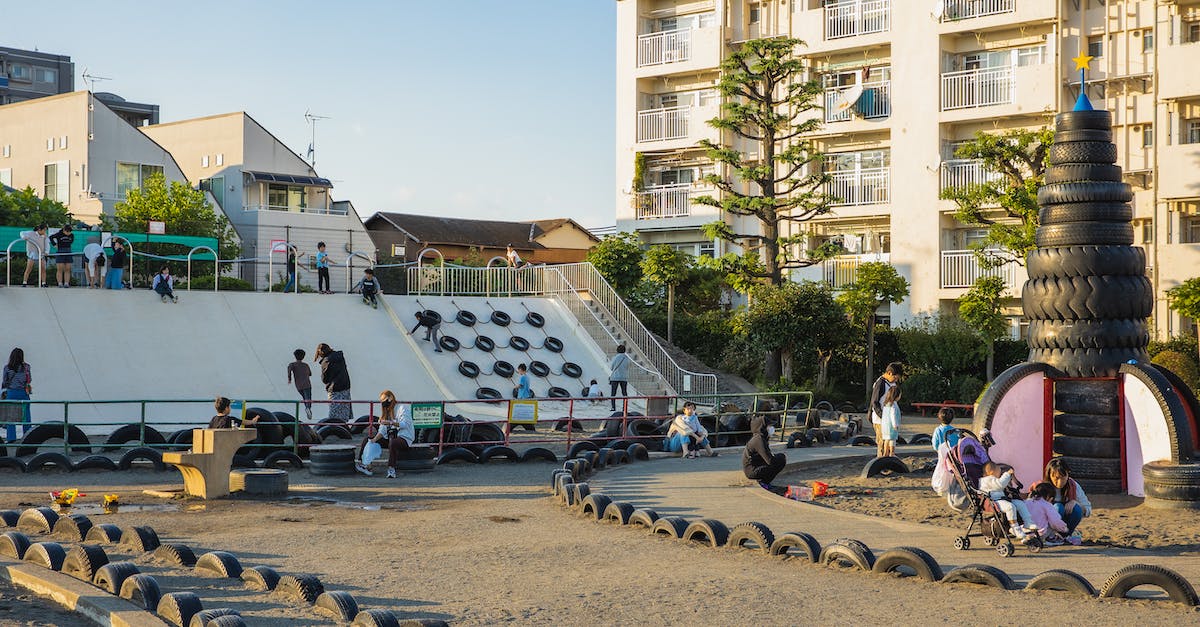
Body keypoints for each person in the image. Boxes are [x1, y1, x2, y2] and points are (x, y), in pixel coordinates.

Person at [356, 390, 414, 479]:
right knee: (367, 439)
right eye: (382, 401)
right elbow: (382, 431)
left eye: (384, 400)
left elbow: (404, 424)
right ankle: (364, 464)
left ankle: (391, 469)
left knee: (393, 443)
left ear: (390, 398)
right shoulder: (386, 412)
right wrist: (374, 440)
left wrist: (390, 423)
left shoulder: (402, 408)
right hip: (390, 437)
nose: (383, 403)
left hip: (404, 438)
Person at [980, 461, 1037, 542]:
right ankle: (1015, 528)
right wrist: (1007, 475)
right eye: (999, 472)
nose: (1000, 475)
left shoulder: (992, 479)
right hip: (993, 502)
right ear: (991, 472)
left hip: (1002, 499)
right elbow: (1000, 484)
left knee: (1020, 503)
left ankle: (1028, 522)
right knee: (1010, 507)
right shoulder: (986, 480)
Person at [1044, 457, 1091, 544]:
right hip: (1047, 525)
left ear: (1068, 474)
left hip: (1066, 524)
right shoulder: (1042, 488)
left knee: (1077, 509)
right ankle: (1051, 536)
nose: (1060, 482)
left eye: (1063, 477)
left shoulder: (1073, 486)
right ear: (1049, 475)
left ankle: (1065, 536)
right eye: (1056, 478)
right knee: (1058, 507)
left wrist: (1075, 502)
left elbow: (1088, 510)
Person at [868, 362, 903, 455]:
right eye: (895, 377)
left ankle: (887, 463)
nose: (896, 380)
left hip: (888, 419)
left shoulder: (892, 383)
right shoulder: (881, 383)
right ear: (889, 373)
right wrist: (882, 417)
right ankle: (881, 464)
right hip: (880, 419)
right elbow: (874, 402)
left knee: (889, 442)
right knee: (883, 443)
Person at [743, 414, 786, 490]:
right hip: (752, 471)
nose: (771, 428)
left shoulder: (760, 437)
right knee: (781, 460)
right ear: (762, 427)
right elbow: (770, 461)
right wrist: (780, 458)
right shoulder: (759, 440)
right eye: (769, 426)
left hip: (754, 466)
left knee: (779, 458)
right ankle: (764, 482)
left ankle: (764, 481)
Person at [315, 343, 352, 422]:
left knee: (334, 411)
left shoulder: (326, 361)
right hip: (346, 385)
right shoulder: (339, 356)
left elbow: (325, 379)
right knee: (344, 409)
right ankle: (343, 426)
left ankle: (334, 428)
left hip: (334, 388)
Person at [2, 348, 33, 441]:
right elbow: (29, 380)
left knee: (10, 417)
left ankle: (11, 438)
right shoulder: (27, 367)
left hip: (11, 393)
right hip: (23, 393)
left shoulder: (7, 367)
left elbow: (4, 381)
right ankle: (27, 438)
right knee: (26, 416)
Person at [1025, 481, 1070, 546]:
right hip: (1040, 533)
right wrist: (1065, 529)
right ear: (1050, 497)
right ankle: (1049, 539)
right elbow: (1055, 521)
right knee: (1051, 523)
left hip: (1024, 531)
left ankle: (1027, 538)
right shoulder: (1047, 505)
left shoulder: (1027, 502)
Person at [287, 349, 314, 420]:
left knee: (305, 398)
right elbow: (310, 374)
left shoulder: (292, 364)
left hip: (298, 386)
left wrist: (289, 379)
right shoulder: (306, 365)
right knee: (308, 398)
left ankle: (307, 409)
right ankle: (308, 408)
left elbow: (289, 369)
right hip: (307, 384)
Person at [879, 385, 901, 458]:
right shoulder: (893, 405)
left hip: (885, 425)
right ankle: (891, 453)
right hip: (891, 426)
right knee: (892, 440)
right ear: (896, 396)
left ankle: (885, 453)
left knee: (886, 439)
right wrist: (895, 425)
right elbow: (893, 415)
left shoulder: (886, 404)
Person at [608, 345, 631, 411]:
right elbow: (627, 367)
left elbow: (612, 367)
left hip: (615, 377)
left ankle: (613, 407)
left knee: (613, 393)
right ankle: (624, 407)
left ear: (617, 350)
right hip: (624, 377)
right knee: (624, 392)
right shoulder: (626, 358)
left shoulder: (615, 357)